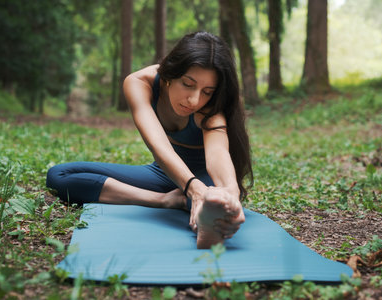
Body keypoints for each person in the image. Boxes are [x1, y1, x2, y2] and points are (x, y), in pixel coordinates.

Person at [46, 31, 253, 249]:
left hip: (207, 178)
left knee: (213, 199)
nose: (195, 100)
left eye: (207, 91)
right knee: (59, 175)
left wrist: (230, 192)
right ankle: (169, 201)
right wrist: (189, 190)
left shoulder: (211, 106)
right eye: (188, 84)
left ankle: (209, 211)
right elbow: (158, 145)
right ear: (170, 72)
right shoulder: (139, 83)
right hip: (164, 173)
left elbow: (217, 154)